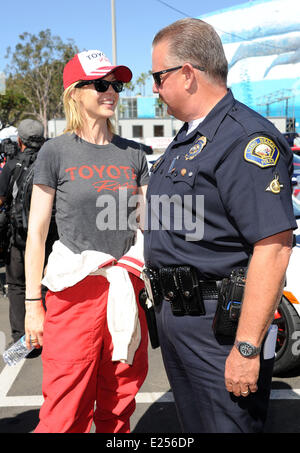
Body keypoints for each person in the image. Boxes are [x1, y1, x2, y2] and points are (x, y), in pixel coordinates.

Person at [143, 18, 297, 433]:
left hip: (221, 327)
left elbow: (274, 246)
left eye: (158, 77)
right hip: (179, 318)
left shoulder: (244, 139)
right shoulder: (186, 139)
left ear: (188, 74)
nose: (154, 89)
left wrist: (247, 348)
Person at [24, 49, 149, 433]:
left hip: (124, 289)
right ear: (75, 92)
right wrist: (32, 305)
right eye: (100, 84)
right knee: (65, 409)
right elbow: (37, 232)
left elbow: (147, 226)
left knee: (119, 402)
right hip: (73, 292)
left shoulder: (134, 154)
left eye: (116, 84)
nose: (111, 91)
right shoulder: (54, 152)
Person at [0, 119, 45, 344]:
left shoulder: (11, 165)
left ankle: (21, 340)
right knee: (47, 285)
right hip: (49, 238)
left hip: (19, 237)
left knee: (17, 285)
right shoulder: (51, 162)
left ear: (20, 140)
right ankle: (48, 334)